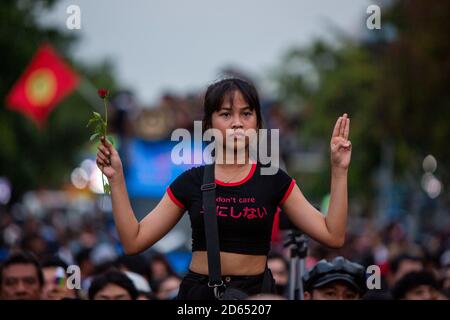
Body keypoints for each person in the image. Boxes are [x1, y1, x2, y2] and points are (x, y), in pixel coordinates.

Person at [96, 77, 352, 299]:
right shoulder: (191, 181)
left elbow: (333, 235)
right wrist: (116, 180)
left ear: (258, 125)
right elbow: (133, 241)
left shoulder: (274, 179)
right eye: (226, 114)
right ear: (209, 125)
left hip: (256, 296)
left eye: (247, 113)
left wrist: (339, 170)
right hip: (199, 297)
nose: (237, 123)